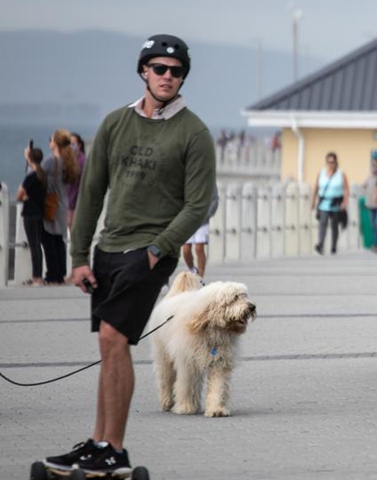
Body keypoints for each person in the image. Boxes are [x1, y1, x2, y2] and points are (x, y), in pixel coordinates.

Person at [43, 34, 216, 477]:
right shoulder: (115, 124)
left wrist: (160, 249)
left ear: (183, 78)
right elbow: (91, 192)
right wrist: (79, 256)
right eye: (159, 68)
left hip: (149, 252)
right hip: (109, 250)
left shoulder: (194, 133)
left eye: (176, 71)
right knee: (109, 346)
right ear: (144, 70)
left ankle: (114, 450)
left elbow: (198, 204)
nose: (167, 77)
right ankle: (97, 444)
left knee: (113, 338)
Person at [41, 129, 80, 285]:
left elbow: (35, 175)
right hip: (63, 203)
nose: (49, 142)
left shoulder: (51, 162)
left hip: (51, 203)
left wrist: (30, 160)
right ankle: (60, 273)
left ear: (56, 143)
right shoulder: (69, 162)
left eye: (51, 139)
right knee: (59, 239)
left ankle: (52, 274)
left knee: (48, 238)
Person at [16, 146, 46, 287]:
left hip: (30, 214)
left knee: (33, 246)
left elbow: (18, 195)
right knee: (37, 245)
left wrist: (24, 197)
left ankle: (36, 277)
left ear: (30, 159)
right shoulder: (43, 176)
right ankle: (38, 275)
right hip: (40, 213)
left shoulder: (31, 177)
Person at [311, 152, 349, 255]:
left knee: (334, 225)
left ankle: (333, 246)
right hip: (324, 203)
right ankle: (320, 244)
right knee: (322, 223)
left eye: (332, 162)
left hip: (335, 203)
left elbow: (346, 189)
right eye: (329, 162)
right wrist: (313, 201)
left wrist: (344, 203)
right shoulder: (321, 173)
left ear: (336, 162)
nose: (330, 164)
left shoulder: (341, 174)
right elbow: (316, 187)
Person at [182, 185, 219, 281]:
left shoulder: (209, 180)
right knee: (186, 249)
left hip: (203, 221)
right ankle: (193, 271)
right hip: (188, 220)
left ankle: (200, 277)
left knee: (199, 248)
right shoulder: (188, 180)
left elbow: (214, 199)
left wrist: (207, 215)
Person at [363, 156, 377, 253]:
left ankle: (375, 244)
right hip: (370, 204)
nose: (375, 167)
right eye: (374, 165)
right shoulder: (369, 177)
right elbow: (364, 186)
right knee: (374, 225)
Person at [67, 133, 87, 229]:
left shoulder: (82, 161)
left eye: (73, 143)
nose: (71, 146)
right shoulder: (67, 159)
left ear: (79, 145)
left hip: (75, 201)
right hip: (67, 200)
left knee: (73, 226)